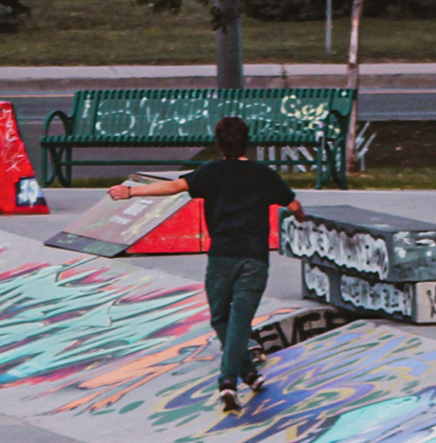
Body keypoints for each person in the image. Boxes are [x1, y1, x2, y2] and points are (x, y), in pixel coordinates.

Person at [106, 117, 309, 414]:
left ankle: (227, 381)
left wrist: (131, 192)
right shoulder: (264, 174)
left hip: (222, 257)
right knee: (236, 318)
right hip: (254, 258)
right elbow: (293, 206)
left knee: (221, 317)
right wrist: (303, 218)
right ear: (246, 142)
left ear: (218, 144)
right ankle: (248, 372)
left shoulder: (210, 172)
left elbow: (174, 187)